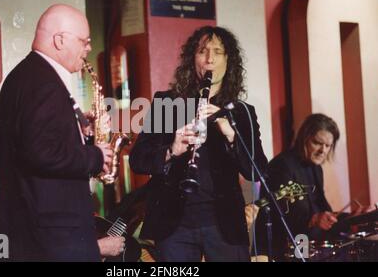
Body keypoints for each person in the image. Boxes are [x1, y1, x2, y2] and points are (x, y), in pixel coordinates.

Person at [0, 4, 124, 261]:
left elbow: (39, 142)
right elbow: (41, 153)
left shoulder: (29, 76)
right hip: (53, 233)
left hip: (40, 228)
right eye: (84, 41)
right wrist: (95, 156)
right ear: (60, 40)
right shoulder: (44, 84)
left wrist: (81, 131)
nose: (88, 48)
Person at [129, 26, 268, 262]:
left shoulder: (241, 112)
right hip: (175, 227)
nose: (209, 58)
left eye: (217, 52)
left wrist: (232, 135)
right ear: (193, 58)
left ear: (228, 60)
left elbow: (257, 170)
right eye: (202, 51)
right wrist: (171, 151)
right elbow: (138, 159)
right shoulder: (168, 103)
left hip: (224, 226)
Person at [253, 113, 342, 261]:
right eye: (317, 143)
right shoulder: (282, 165)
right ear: (304, 138)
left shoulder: (316, 168)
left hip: (305, 243)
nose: (323, 151)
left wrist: (351, 218)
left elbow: (322, 207)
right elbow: (279, 215)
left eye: (328, 146)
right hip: (282, 247)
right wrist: (313, 219)